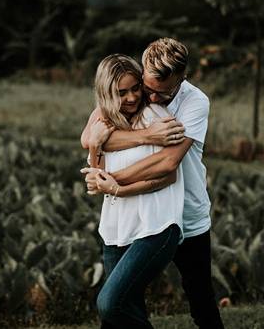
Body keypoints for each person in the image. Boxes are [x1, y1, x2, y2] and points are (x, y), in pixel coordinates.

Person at [82, 38, 224, 329]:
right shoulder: (134, 87)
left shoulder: (194, 102)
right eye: (149, 89)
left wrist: (112, 183)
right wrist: (146, 137)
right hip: (132, 215)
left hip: (185, 211)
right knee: (119, 308)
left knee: (201, 301)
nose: (152, 98)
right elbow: (89, 137)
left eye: (164, 92)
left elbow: (168, 164)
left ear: (181, 79)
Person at [83, 53, 186, 328]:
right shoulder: (104, 124)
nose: (131, 97)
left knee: (110, 304)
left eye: (135, 88)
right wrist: (94, 146)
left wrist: (117, 188)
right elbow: (96, 173)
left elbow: (167, 175)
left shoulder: (157, 118)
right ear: (107, 94)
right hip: (115, 230)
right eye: (121, 92)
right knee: (121, 318)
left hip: (156, 226)